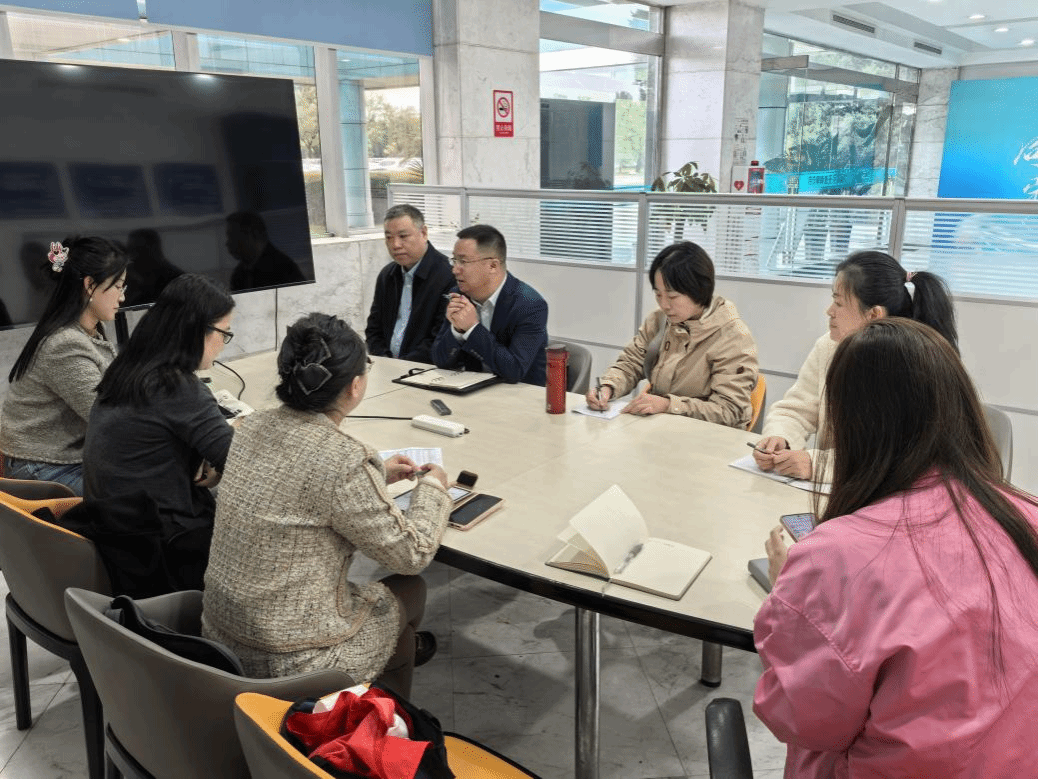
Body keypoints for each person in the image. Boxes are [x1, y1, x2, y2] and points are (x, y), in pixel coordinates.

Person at [754, 318, 1038, 778]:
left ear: (854, 426)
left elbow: (801, 719)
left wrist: (787, 594)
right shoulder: (1026, 515)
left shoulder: (836, 557)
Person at [201, 313, 451, 698]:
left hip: (220, 636)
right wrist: (433, 489)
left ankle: (387, 673)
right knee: (412, 588)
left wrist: (376, 474)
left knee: (389, 626)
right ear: (355, 385)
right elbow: (411, 555)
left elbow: (293, 482)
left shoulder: (250, 426)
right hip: (290, 660)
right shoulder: (344, 459)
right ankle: (375, 717)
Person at [752, 250, 956, 481]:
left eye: (838, 302)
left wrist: (816, 465)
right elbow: (795, 410)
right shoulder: (829, 347)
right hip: (837, 491)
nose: (829, 311)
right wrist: (781, 438)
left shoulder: (912, 365)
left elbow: (893, 460)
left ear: (874, 314)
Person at [84, 274, 235, 584]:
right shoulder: (176, 386)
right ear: (198, 331)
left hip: (116, 535)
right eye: (225, 333)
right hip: (164, 551)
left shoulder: (128, 369)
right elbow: (242, 463)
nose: (224, 344)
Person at [1, 237, 129, 494]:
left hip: (67, 460)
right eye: (117, 286)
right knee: (147, 491)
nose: (123, 296)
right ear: (89, 285)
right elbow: (110, 418)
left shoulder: (88, 332)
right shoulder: (65, 344)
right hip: (41, 469)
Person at [585, 241, 758, 426]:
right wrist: (608, 387)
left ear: (699, 290)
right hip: (662, 428)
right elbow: (631, 363)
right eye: (658, 294)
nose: (664, 304)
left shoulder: (733, 337)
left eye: (672, 296)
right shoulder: (659, 321)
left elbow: (730, 411)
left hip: (707, 436)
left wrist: (669, 405)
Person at [431, 224, 548, 385]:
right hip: (473, 389)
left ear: (493, 265)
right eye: (454, 261)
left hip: (520, 394)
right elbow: (440, 361)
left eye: (463, 261)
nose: (455, 270)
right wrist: (457, 331)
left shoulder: (530, 305)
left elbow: (514, 371)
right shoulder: (459, 295)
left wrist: (472, 329)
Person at [365, 204, 454, 364]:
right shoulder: (387, 275)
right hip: (387, 366)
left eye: (403, 236)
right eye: (389, 237)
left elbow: (440, 338)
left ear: (424, 233)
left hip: (426, 369)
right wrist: (384, 360)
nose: (395, 245)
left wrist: (402, 366)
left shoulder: (448, 276)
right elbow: (373, 329)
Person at [225, 211, 305, 292]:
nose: (227, 243)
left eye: (233, 236)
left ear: (252, 235)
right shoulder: (239, 274)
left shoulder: (283, 270)